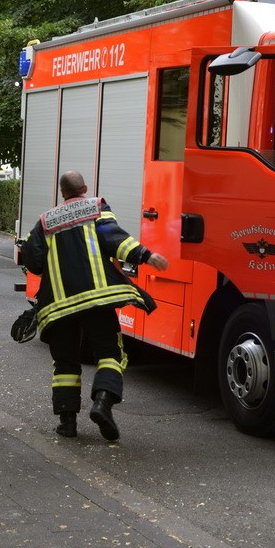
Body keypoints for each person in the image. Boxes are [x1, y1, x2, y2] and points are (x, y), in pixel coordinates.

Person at [23, 171, 169, 441]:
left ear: (62, 193)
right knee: (110, 354)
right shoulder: (96, 208)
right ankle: (102, 403)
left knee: (65, 363)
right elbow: (116, 240)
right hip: (96, 301)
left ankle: (67, 423)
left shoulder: (45, 222)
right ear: (85, 188)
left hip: (59, 307)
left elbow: (33, 261)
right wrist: (146, 255)